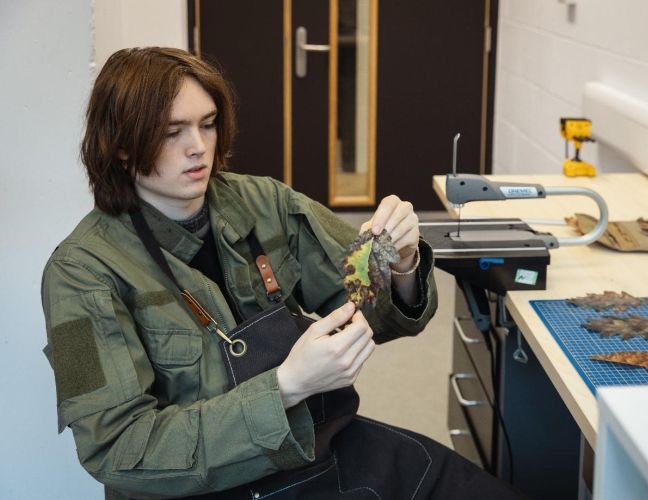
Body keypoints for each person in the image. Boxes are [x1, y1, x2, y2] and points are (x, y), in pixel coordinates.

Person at [41, 47, 520, 499]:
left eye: (208, 125)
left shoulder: (264, 202)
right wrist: (287, 386)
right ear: (121, 147)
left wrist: (399, 263)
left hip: (315, 447)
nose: (198, 148)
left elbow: (364, 304)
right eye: (173, 132)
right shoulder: (80, 275)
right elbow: (119, 450)